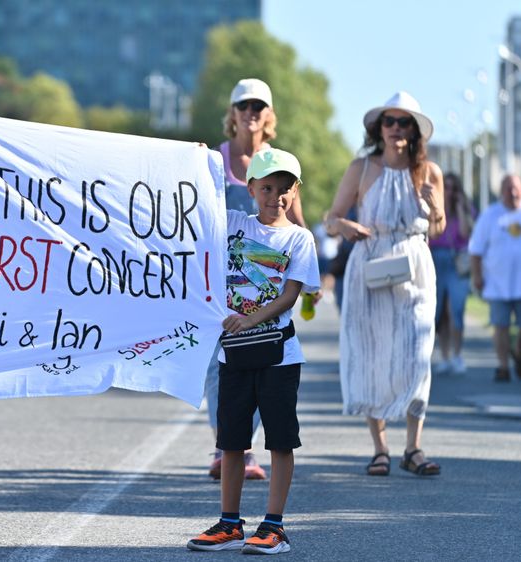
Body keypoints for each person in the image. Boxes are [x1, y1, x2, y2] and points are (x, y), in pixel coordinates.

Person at [187, 148, 319, 555]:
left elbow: (289, 296)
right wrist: (195, 163)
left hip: (278, 354)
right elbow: (196, 204)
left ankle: (274, 526)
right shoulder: (232, 224)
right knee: (232, 441)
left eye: (283, 189)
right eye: (266, 187)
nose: (274, 196)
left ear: (294, 192)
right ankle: (229, 523)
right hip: (234, 354)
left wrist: (250, 318)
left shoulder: (299, 238)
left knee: (280, 441)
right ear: (250, 189)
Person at [324, 91, 446, 477]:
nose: (395, 128)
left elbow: (439, 229)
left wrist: (435, 209)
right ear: (379, 128)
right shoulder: (362, 167)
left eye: (403, 122)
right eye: (389, 121)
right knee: (372, 354)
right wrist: (345, 226)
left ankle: (414, 447)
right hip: (370, 261)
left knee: (416, 352)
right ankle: (380, 448)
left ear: (414, 130)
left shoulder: (429, 172)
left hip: (414, 264)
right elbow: (331, 217)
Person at [205, 78, 308, 481]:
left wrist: (306, 272)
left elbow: (293, 216)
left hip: (265, 284)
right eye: (243, 105)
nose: (251, 112)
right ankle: (228, 445)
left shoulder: (277, 161)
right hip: (218, 280)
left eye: (258, 106)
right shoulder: (214, 160)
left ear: (269, 115)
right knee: (220, 363)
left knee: (261, 356)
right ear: (232, 114)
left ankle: (241, 447)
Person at [469, 174, 521, 382]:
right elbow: (475, 251)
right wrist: (477, 276)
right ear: (501, 191)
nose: (513, 193)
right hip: (498, 284)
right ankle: (503, 366)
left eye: (516, 188)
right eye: (508, 189)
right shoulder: (490, 216)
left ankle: (519, 347)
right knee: (500, 326)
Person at [428, 172, 474, 376]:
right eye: (446, 187)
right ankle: (445, 356)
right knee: (440, 314)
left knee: (456, 309)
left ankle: (457, 354)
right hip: (436, 260)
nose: (449, 191)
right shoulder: (431, 208)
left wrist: (459, 207)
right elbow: (430, 233)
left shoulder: (464, 208)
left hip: (457, 262)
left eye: (453, 188)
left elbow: (465, 233)